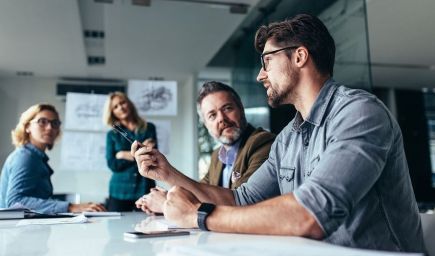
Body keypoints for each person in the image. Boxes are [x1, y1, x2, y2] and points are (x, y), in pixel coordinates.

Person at [132, 14, 426, 252]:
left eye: (267, 61)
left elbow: (310, 214)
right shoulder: (287, 138)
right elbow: (240, 199)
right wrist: (167, 173)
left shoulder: (360, 113)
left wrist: (198, 216)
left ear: (299, 57)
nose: (261, 74)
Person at [135, 81, 275, 214]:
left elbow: (241, 203)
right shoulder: (217, 155)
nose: (221, 118)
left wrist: (166, 203)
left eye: (227, 108)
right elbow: (199, 193)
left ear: (241, 110)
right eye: (212, 115)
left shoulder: (263, 143)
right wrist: (167, 197)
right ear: (206, 125)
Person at [0, 103, 106, 214]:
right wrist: (71, 207)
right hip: (15, 230)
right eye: (42, 121)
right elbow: (15, 202)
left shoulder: (36, 158)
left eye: (55, 123)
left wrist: (78, 206)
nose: (50, 127)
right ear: (27, 127)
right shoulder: (25, 157)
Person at [103, 91, 157, 211]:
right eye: (115, 107)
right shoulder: (112, 135)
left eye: (122, 103)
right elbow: (112, 164)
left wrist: (122, 154)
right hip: (119, 191)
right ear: (112, 112)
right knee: (115, 228)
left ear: (129, 104)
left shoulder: (149, 128)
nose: (121, 108)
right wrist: (138, 154)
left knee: (148, 225)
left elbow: (151, 158)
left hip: (145, 188)